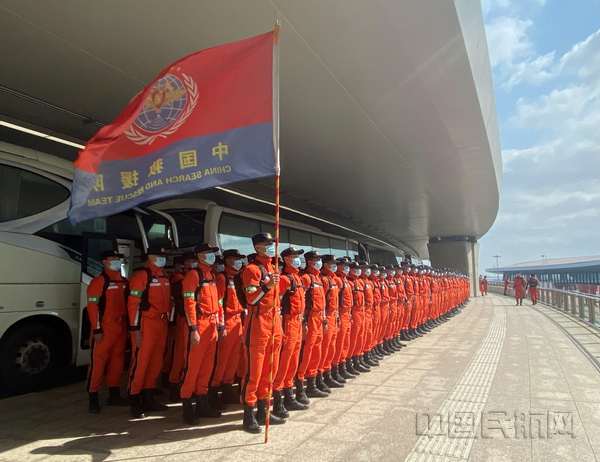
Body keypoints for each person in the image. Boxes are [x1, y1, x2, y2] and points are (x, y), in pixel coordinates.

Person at [241, 233, 284, 433]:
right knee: (255, 371)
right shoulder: (251, 270)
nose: (270, 247)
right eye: (267, 244)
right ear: (257, 247)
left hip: (274, 320)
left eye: (271, 244)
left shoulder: (272, 268)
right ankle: (248, 414)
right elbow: (252, 299)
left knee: (271, 368)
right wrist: (267, 286)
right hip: (258, 321)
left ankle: (263, 411)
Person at [179, 243, 224, 425]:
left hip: (212, 325)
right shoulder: (193, 275)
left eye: (212, 253)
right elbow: (189, 303)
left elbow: (219, 301)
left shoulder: (211, 276)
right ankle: (187, 406)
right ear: (199, 255)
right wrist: (193, 329)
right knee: (192, 368)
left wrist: (220, 325)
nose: (211, 256)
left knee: (207, 367)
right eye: (207, 253)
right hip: (199, 324)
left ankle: (202, 403)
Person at [127, 245, 172, 419]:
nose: (162, 258)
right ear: (150, 257)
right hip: (146, 323)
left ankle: (148, 397)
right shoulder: (142, 276)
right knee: (140, 362)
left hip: (161, 323)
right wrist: (135, 328)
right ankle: (135, 400)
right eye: (158, 255)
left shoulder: (164, 276)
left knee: (155, 363)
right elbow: (134, 304)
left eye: (163, 255)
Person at [86, 250, 129, 413]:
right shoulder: (98, 282)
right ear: (104, 262)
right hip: (105, 327)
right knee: (98, 362)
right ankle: (93, 396)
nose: (117, 261)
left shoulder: (125, 282)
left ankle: (114, 394)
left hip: (121, 325)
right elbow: (92, 307)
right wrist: (96, 329)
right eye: (113, 259)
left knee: (117, 361)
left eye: (118, 259)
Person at [272, 247, 309, 418]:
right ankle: (277, 400)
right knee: (283, 362)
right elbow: (276, 305)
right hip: (287, 322)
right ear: (285, 259)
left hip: (297, 321)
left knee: (293, 361)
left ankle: (289, 395)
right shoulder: (283, 280)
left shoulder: (297, 278)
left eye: (298, 256)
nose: (297, 259)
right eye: (293, 257)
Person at [209, 249, 246, 409]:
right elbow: (219, 303)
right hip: (227, 321)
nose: (238, 262)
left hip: (238, 321)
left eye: (239, 259)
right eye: (235, 259)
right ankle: (213, 391)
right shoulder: (222, 278)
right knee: (222, 359)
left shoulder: (238, 278)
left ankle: (227, 389)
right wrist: (221, 325)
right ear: (228, 260)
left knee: (233, 359)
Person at [296, 251, 329, 398]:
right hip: (309, 319)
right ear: (309, 262)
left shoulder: (318, 279)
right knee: (306, 353)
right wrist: (304, 322)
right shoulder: (305, 278)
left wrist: (323, 320)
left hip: (318, 318)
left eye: (319, 260)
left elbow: (322, 303)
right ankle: (300, 385)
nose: (319, 262)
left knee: (317, 351)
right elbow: (302, 303)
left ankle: (313, 382)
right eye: (316, 260)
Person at [167, 251, 197, 402]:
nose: (193, 263)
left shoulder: (201, 278)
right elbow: (174, 305)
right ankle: (173, 385)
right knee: (179, 356)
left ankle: (187, 387)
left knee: (191, 358)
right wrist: (172, 323)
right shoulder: (178, 281)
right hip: (182, 320)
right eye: (190, 260)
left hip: (196, 321)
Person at [319, 254, 343, 389]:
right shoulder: (323, 280)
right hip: (325, 316)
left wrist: (337, 316)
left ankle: (329, 374)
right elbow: (321, 302)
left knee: (332, 346)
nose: (334, 266)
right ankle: (320, 377)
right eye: (331, 263)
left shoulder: (333, 280)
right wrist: (324, 320)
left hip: (334, 315)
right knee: (324, 347)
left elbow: (336, 301)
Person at [332, 257, 355, 381]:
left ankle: (343, 366)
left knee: (346, 342)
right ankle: (335, 370)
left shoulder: (344, 279)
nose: (346, 267)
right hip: (339, 314)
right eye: (343, 265)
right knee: (338, 343)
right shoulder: (337, 280)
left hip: (347, 312)